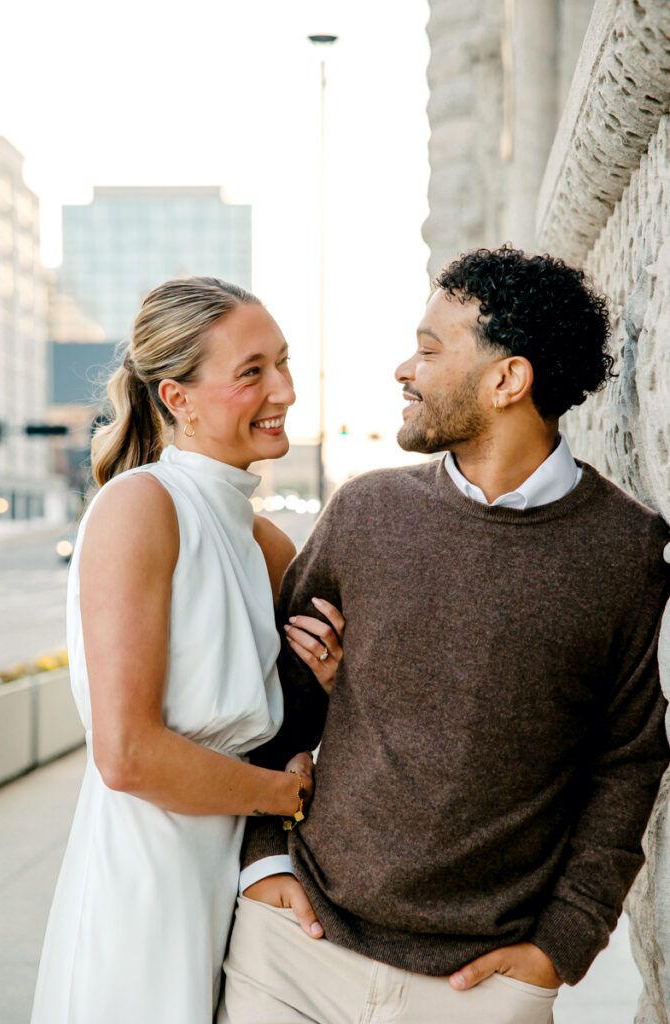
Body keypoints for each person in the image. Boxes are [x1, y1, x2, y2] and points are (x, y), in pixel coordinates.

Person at [218, 247, 670, 1024]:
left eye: (429, 349)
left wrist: (562, 943)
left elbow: (626, 762)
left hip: (481, 989)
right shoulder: (365, 514)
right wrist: (262, 858)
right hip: (294, 948)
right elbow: (271, 700)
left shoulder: (627, 552)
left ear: (507, 380)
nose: (405, 368)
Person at [30, 277, 341, 1024]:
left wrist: (327, 684)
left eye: (283, 363)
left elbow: (291, 726)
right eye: (252, 372)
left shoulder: (267, 542)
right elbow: (127, 755)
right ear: (178, 398)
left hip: (242, 884)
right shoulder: (141, 506)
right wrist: (282, 796)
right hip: (143, 889)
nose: (285, 391)